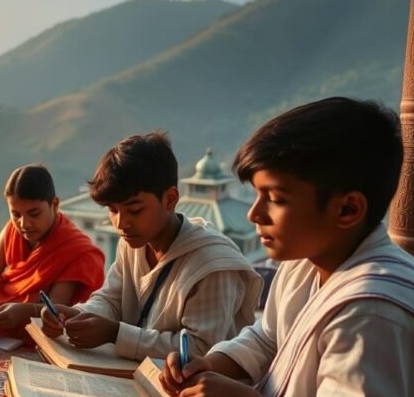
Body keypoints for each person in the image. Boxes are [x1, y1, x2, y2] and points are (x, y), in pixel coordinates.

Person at [160, 98, 414, 397]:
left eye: (276, 199)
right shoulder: (307, 263)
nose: (254, 214)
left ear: (348, 208)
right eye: (256, 195)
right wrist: (211, 364)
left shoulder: (372, 312)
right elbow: (269, 337)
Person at [41, 132, 262, 360]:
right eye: (113, 210)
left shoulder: (212, 264)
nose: (121, 223)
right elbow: (110, 299)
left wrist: (115, 334)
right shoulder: (133, 243)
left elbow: (200, 349)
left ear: (169, 199)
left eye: (135, 210)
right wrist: (77, 316)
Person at [0, 163, 105, 341]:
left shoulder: (75, 249)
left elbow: (56, 309)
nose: (24, 224)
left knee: (43, 331)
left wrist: (24, 312)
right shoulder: (12, 230)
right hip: (3, 306)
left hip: (33, 316)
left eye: (34, 213)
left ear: (54, 204)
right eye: (16, 214)